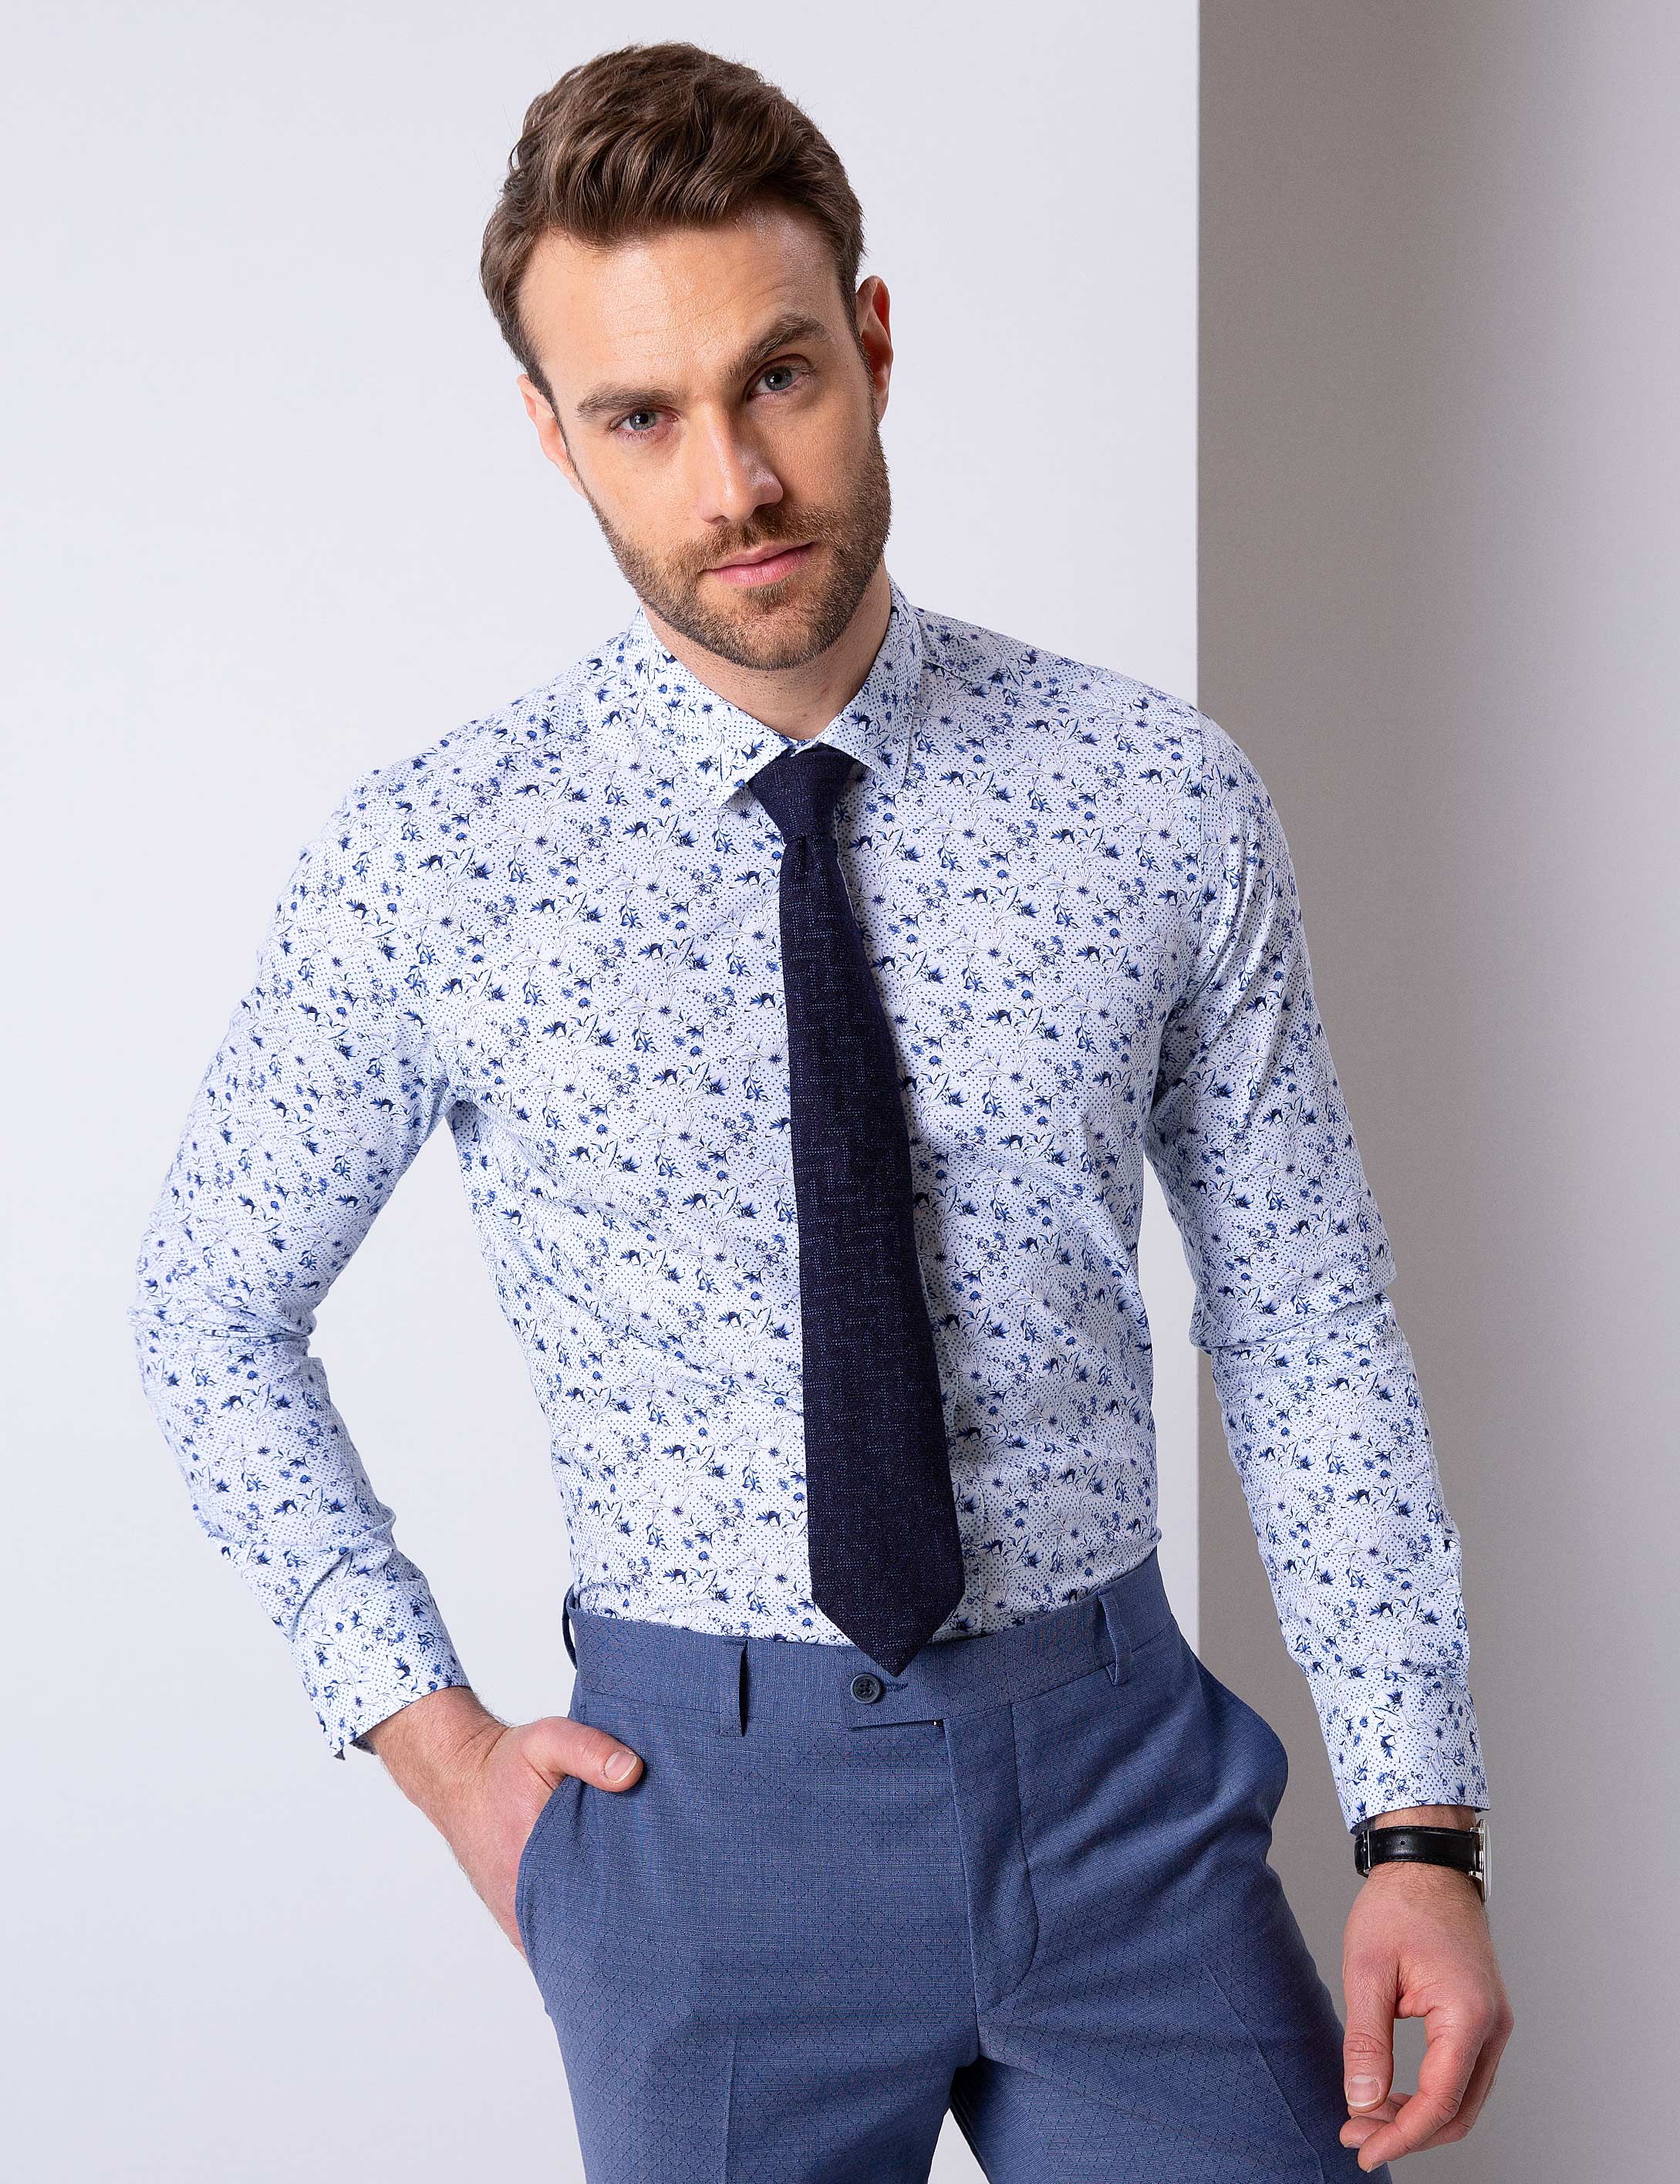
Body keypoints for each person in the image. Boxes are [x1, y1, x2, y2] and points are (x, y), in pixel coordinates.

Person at [127, 38, 1513, 2183]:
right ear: (551, 435)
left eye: (775, 378)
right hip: (700, 1838)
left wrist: (1418, 1828)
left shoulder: (1154, 799)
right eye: (640, 416)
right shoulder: (436, 859)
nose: (734, 485)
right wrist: (435, 1741)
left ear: (870, 341)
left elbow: (1305, 1320)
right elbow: (208, 1303)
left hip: (1123, 1797)